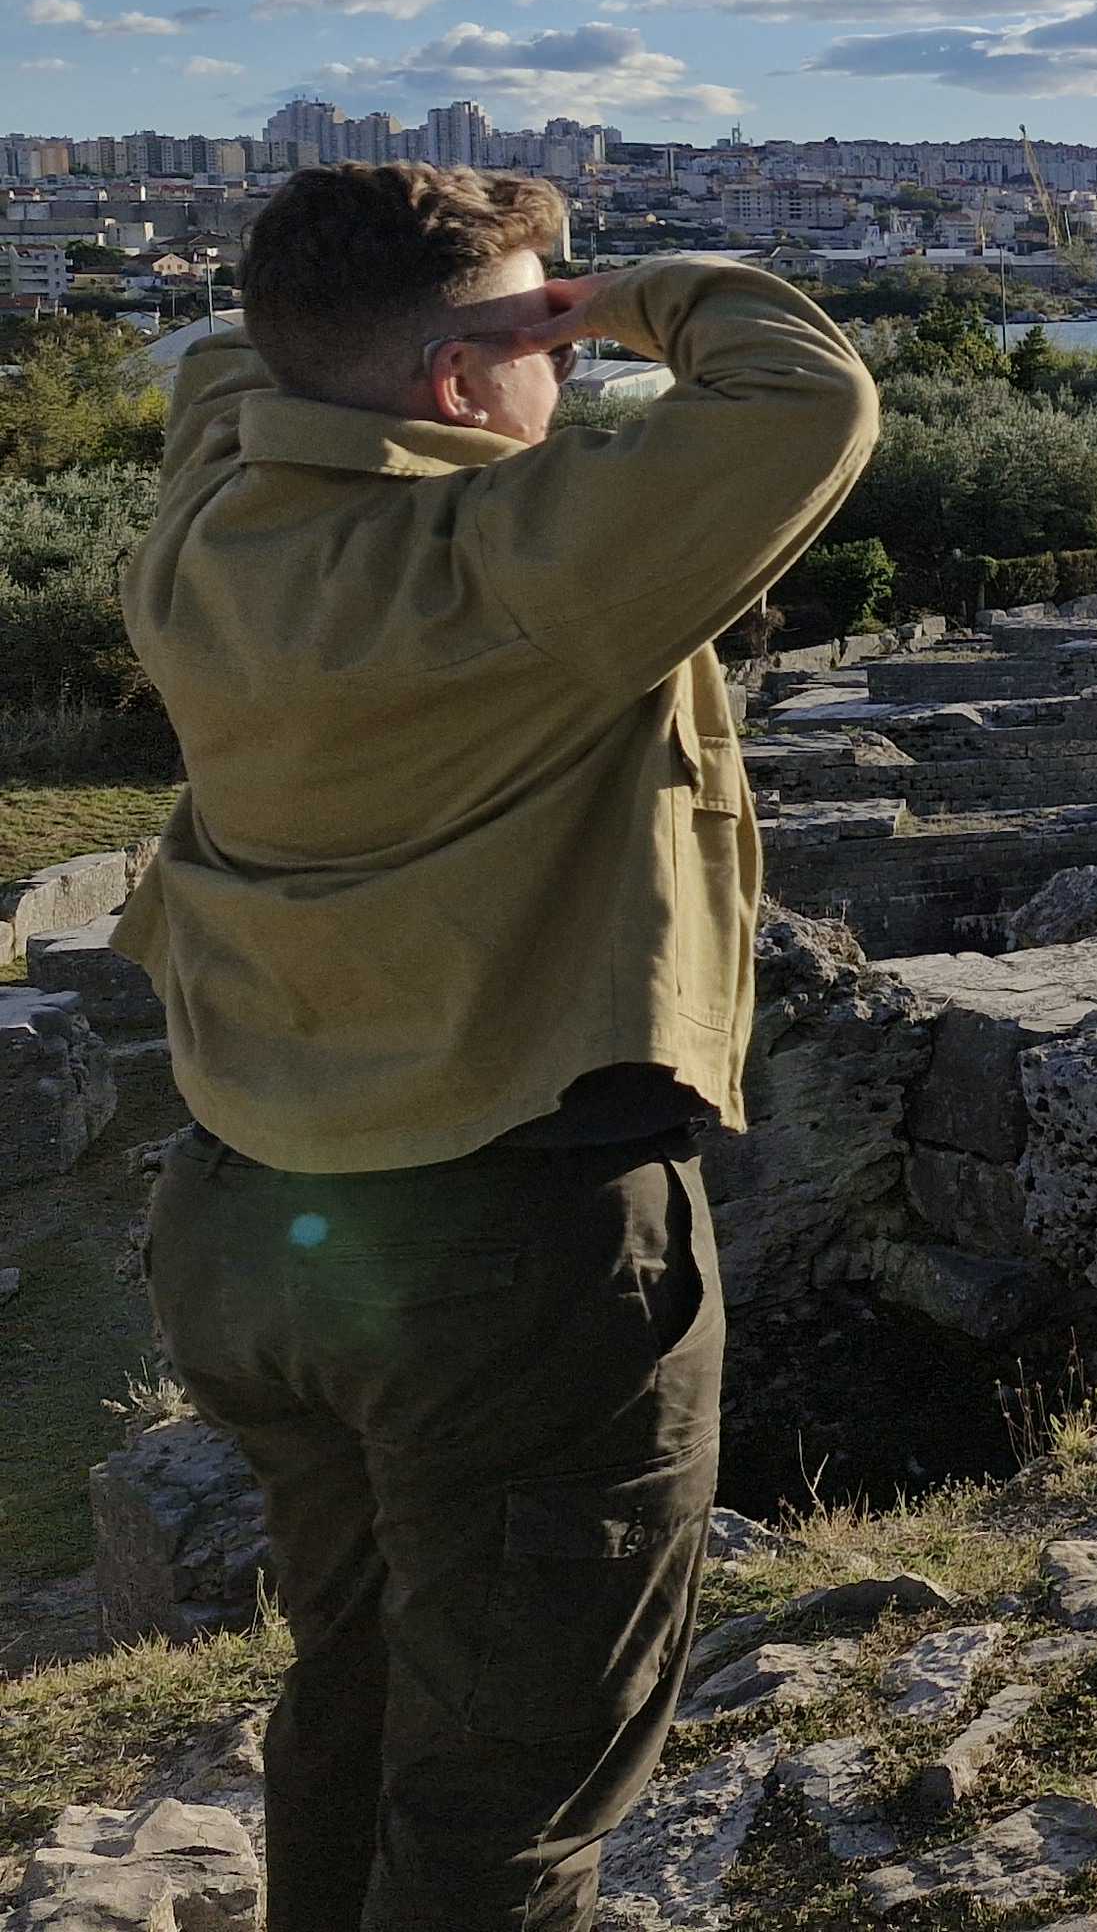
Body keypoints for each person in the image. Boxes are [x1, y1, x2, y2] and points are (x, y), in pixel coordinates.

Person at [117, 164, 878, 1932]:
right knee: (512, 1790)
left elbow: (233, 362)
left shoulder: (212, 517)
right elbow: (808, 391)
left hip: (249, 1223)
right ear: (464, 380)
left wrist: (500, 310)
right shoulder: (515, 565)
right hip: (505, 1251)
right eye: (549, 345)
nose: (578, 382)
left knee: (361, 1690)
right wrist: (625, 293)